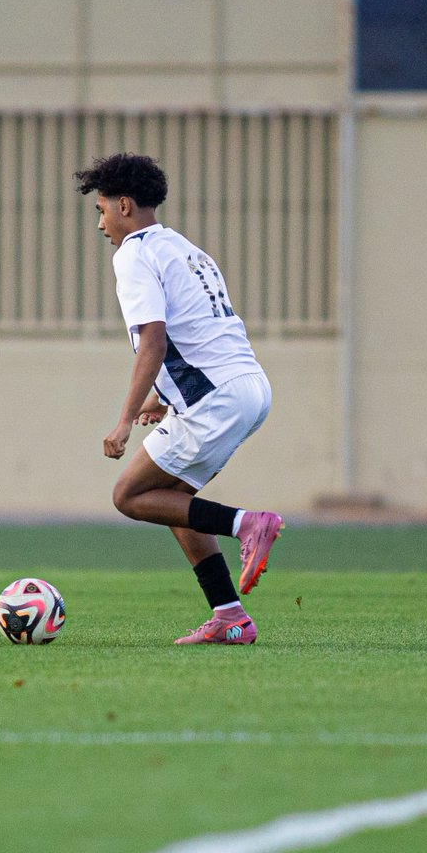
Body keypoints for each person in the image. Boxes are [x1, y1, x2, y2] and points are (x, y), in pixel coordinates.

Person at [74, 152, 282, 646]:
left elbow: (154, 339)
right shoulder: (186, 249)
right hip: (247, 387)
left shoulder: (133, 254)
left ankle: (247, 524)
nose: (101, 224)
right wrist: (163, 398)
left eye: (101, 210)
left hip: (217, 397)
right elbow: (202, 334)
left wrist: (124, 420)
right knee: (172, 498)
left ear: (124, 205)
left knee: (129, 496)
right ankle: (230, 616)